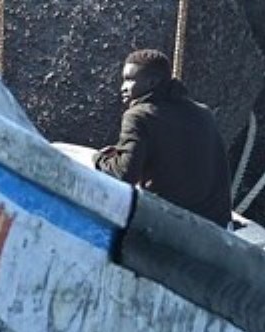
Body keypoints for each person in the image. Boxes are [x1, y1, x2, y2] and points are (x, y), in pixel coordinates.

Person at [94, 49, 232, 226]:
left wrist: (101, 159)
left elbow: (125, 174)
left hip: (172, 226)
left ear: (152, 82)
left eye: (129, 79)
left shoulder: (138, 115)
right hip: (216, 227)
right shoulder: (204, 113)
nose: (123, 87)